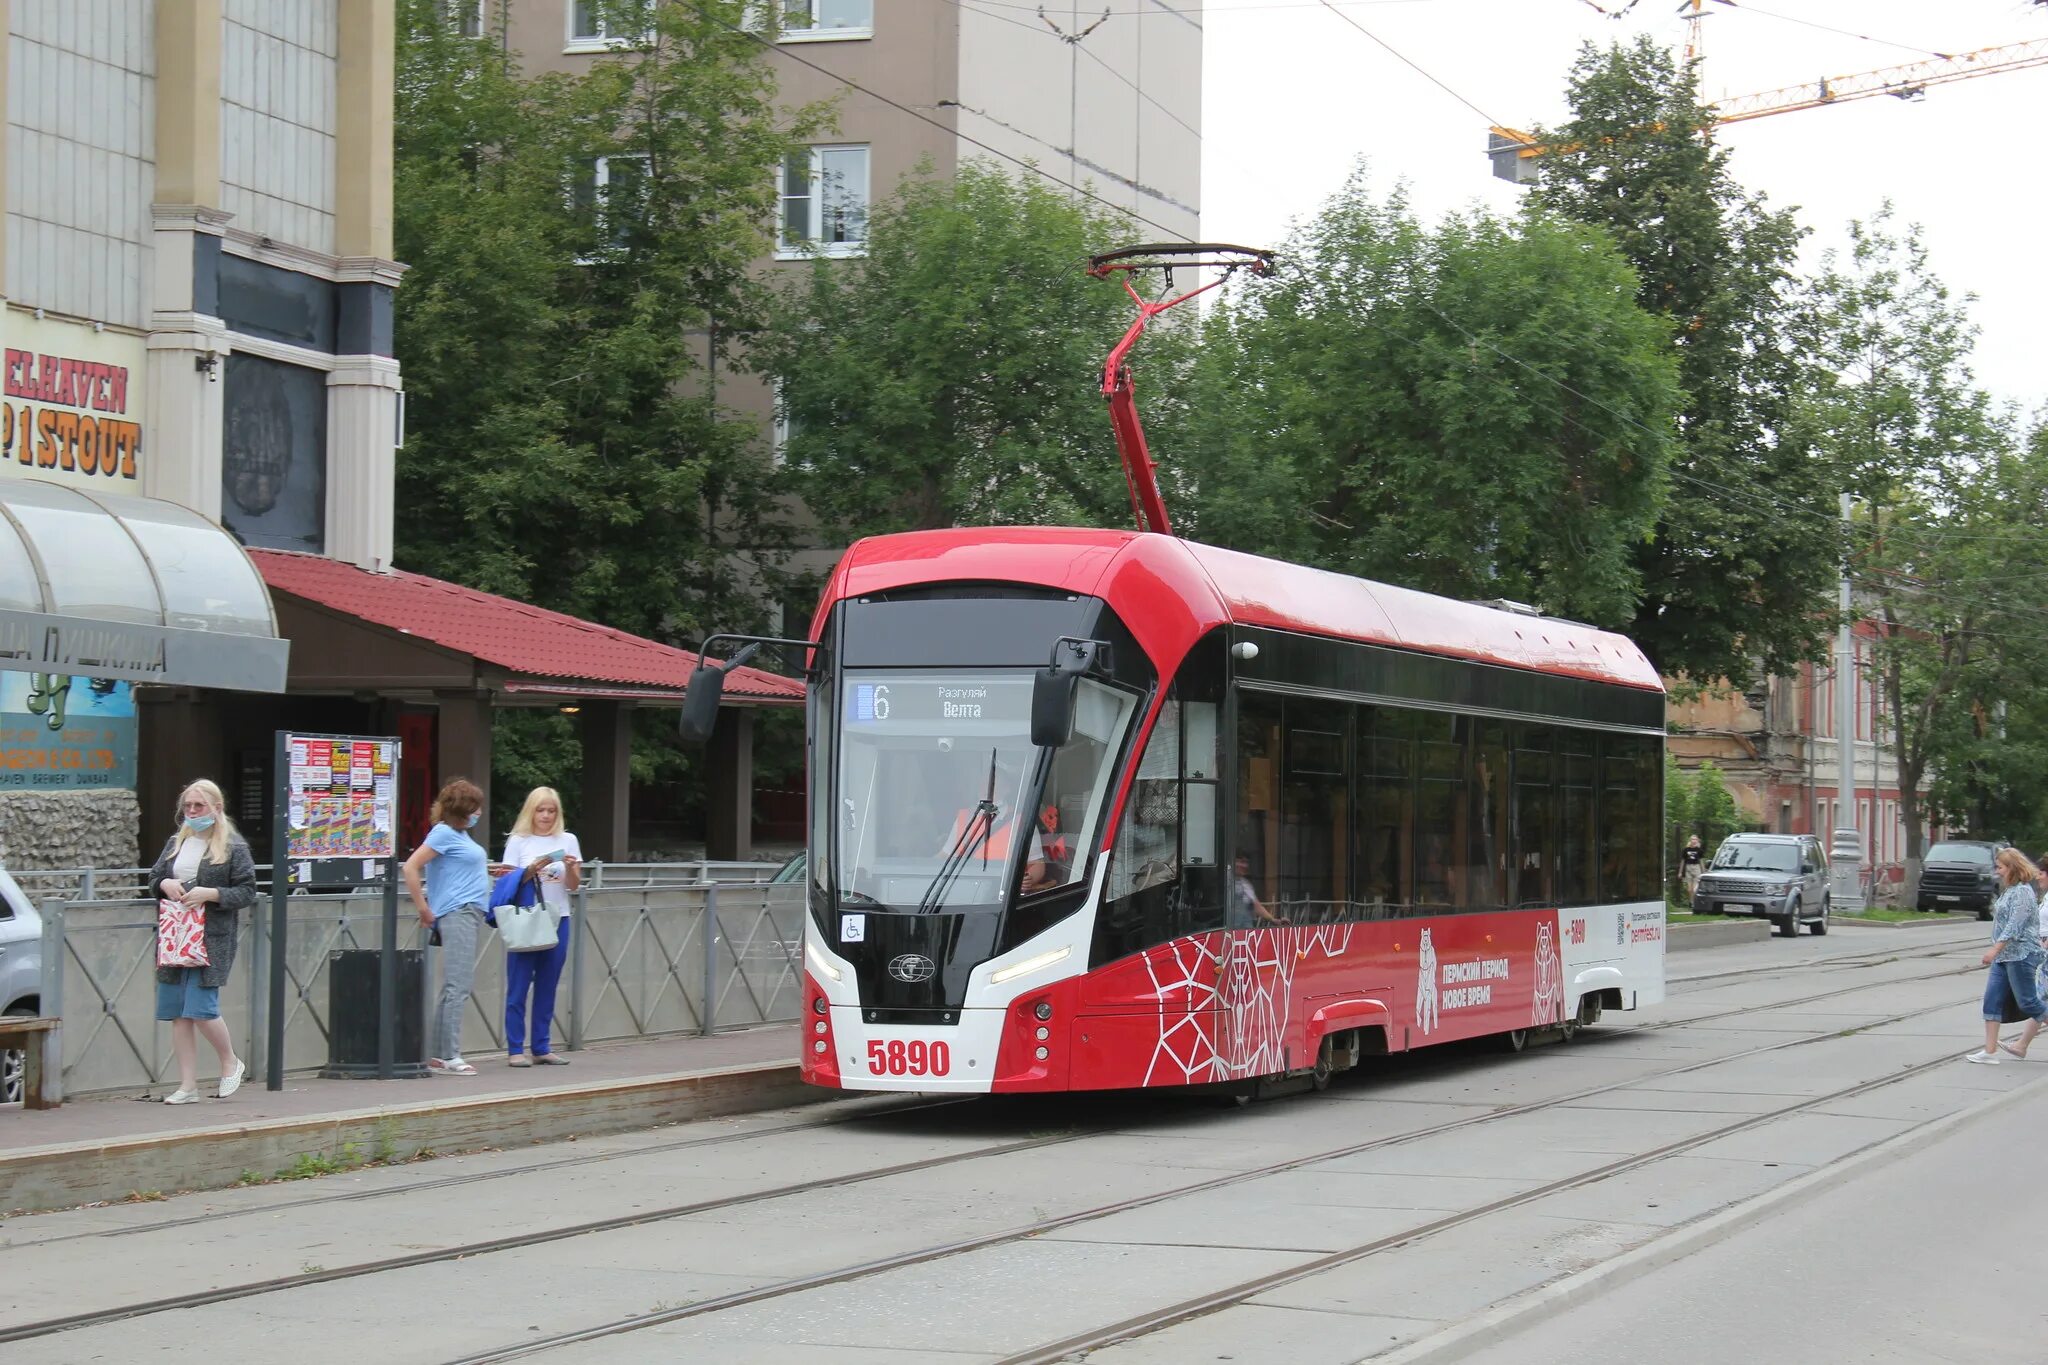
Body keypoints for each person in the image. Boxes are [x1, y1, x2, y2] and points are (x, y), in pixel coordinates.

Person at [150, 780, 256, 1103]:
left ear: (216, 808)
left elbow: (247, 890)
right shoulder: (175, 843)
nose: (192, 812)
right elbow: (153, 878)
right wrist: (165, 883)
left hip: (210, 938)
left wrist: (211, 894)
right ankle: (187, 1086)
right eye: (188, 806)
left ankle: (229, 1060)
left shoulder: (233, 847)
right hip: (175, 936)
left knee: (201, 1008)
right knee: (177, 1012)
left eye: (199, 806)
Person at [403, 778, 493, 1076]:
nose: (479, 812)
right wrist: (423, 907)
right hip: (458, 911)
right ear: (464, 810)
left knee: (455, 984)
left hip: (465, 911)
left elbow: (458, 866)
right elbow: (411, 866)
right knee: (458, 983)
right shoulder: (443, 834)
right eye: (475, 807)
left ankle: (441, 1053)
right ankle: (450, 1054)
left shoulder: (458, 835)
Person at [501, 787, 582, 1067]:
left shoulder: (568, 839)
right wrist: (530, 870)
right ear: (531, 811)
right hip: (526, 917)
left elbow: (573, 886)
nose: (546, 816)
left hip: (558, 917)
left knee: (548, 984)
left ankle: (542, 1046)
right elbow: (507, 882)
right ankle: (515, 1049)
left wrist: (571, 868)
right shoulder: (518, 841)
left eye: (551, 811)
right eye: (540, 810)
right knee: (519, 984)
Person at [1964, 847, 2048, 1064]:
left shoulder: (2022, 891)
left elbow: (2014, 926)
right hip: (2005, 957)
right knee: (1991, 1002)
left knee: (2029, 1003)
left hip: (2021, 955)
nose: (1997, 871)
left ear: (2012, 868)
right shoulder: (2009, 891)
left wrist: (1994, 949)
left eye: (2000, 867)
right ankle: (1990, 1052)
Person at [1233, 854, 1284, 927]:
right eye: (1241, 862)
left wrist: (1273, 920)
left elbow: (1257, 906)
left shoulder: (1246, 884)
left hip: (1246, 931)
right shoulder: (1225, 882)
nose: (1244, 866)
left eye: (1246, 863)